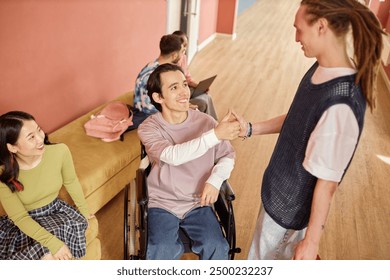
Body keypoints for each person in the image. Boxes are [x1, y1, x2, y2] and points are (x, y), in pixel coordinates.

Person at [235, 0, 384, 260]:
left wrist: (312, 241)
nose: (295, 38)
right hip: (277, 197)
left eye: (299, 29)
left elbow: (327, 184)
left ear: (321, 27)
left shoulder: (342, 104)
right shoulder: (321, 67)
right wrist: (250, 128)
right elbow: (298, 119)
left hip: (289, 215)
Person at [137, 63, 241, 260]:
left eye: (184, 84)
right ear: (158, 97)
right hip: (162, 202)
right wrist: (216, 134)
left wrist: (215, 180)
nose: (184, 91)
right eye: (174, 87)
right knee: (162, 249)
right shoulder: (149, 128)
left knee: (217, 246)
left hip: (198, 202)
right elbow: (172, 156)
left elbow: (227, 156)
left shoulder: (206, 122)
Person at [0, 111, 94, 260]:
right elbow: (20, 218)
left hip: (55, 212)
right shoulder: (3, 174)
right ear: (12, 147)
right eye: (31, 137)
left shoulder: (60, 151)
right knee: (47, 256)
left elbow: (71, 181)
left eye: (39, 130)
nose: (40, 138)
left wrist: (84, 210)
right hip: (25, 223)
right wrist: (53, 243)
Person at [133, 34, 209, 117]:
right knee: (202, 103)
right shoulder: (152, 76)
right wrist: (182, 107)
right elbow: (149, 108)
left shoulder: (155, 65)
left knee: (203, 97)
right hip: (150, 115)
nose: (182, 55)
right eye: (182, 52)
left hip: (164, 105)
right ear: (174, 55)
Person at [173, 30, 218, 120]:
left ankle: (213, 123)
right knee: (203, 101)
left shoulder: (183, 57)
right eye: (184, 46)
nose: (185, 49)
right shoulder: (171, 65)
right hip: (180, 95)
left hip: (187, 89)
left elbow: (188, 78)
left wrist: (198, 86)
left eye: (186, 46)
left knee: (207, 96)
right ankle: (209, 126)